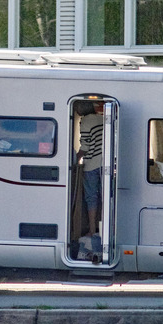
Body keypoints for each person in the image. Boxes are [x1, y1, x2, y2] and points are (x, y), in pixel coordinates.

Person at [75, 101, 104, 237]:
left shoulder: (85, 121)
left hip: (91, 164)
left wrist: (75, 158)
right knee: (105, 197)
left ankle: (92, 230)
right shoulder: (101, 118)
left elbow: (85, 147)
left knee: (91, 197)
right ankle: (104, 228)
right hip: (104, 164)